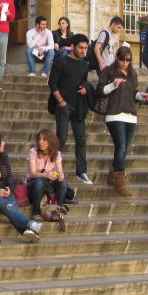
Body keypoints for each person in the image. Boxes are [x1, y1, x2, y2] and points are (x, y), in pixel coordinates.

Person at [97, 47, 148, 197]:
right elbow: (100, 90)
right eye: (122, 60)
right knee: (120, 147)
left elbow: (133, 93)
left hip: (130, 114)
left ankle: (112, 174)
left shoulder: (132, 74)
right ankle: (120, 181)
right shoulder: (109, 71)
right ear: (117, 57)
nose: (125, 63)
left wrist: (141, 96)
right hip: (114, 114)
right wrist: (113, 85)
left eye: (128, 60)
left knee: (125, 149)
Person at [0, 131, 42, 243]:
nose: (4, 143)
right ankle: (29, 224)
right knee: (9, 206)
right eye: (1, 141)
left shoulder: (4, 156)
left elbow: (10, 177)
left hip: (5, 191)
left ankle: (28, 231)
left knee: (11, 207)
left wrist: (9, 188)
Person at [48, 34, 92, 185]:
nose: (83, 51)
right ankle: (50, 167)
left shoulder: (84, 65)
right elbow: (52, 83)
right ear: (72, 46)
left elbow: (84, 81)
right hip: (64, 105)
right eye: (81, 47)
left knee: (81, 139)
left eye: (86, 48)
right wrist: (61, 101)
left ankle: (82, 171)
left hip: (78, 106)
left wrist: (86, 88)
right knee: (62, 138)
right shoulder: (62, 61)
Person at [26, 129, 68, 221]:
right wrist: (45, 174)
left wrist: (60, 175)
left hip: (48, 184)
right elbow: (32, 174)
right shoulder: (33, 152)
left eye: (44, 139)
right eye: (39, 139)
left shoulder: (56, 154)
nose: (40, 142)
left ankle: (58, 209)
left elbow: (60, 171)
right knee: (39, 182)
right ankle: (36, 212)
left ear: (51, 141)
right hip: (33, 184)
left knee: (63, 183)